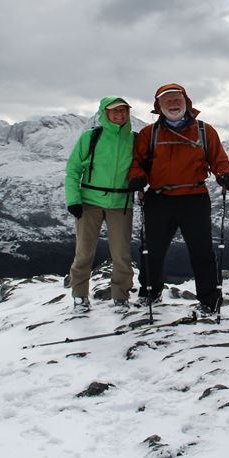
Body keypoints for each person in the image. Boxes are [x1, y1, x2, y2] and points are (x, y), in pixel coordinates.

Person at [127, 83, 229, 314]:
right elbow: (138, 162)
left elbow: (218, 159)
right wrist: (137, 177)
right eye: (168, 101)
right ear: (158, 106)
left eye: (178, 99)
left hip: (194, 198)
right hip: (159, 198)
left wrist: (225, 175)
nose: (174, 104)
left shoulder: (205, 131)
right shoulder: (149, 133)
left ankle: (209, 300)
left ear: (187, 102)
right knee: (152, 250)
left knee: (202, 251)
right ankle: (150, 293)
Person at [63, 96, 136, 312]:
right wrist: (73, 199)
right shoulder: (91, 137)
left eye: (123, 111)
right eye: (114, 111)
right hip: (89, 202)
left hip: (121, 202)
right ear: (105, 113)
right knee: (84, 251)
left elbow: (143, 167)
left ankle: (121, 296)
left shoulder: (135, 139)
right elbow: (74, 169)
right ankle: (79, 296)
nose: (119, 114)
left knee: (121, 253)